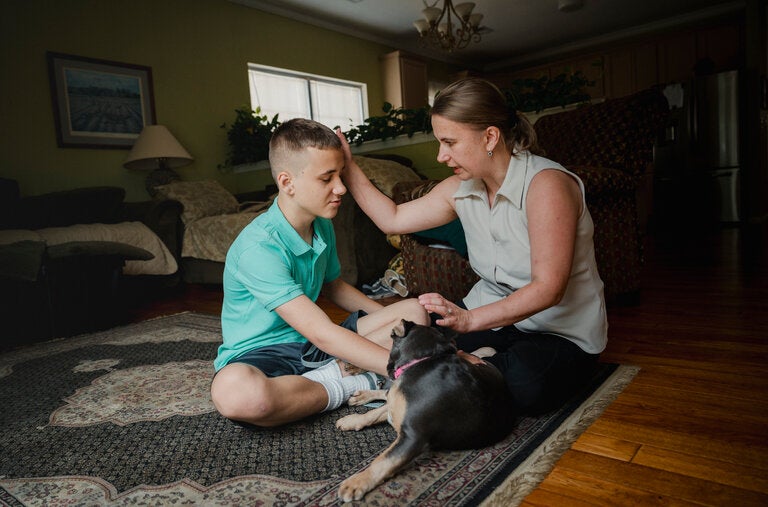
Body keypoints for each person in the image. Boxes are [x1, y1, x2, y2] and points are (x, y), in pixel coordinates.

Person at [337, 78, 608, 414]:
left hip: (558, 330)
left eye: (450, 142)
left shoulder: (547, 185)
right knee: (419, 344)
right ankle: (462, 367)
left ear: (490, 137)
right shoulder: (460, 189)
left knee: (527, 388)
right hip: (493, 318)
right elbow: (391, 218)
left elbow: (548, 289)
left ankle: (454, 369)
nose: (441, 155)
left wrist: (467, 321)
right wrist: (349, 167)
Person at [211, 118, 429, 427]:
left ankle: (344, 375)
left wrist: (391, 323)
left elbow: (334, 286)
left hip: (312, 347)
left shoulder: (322, 224)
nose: (341, 188)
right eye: (327, 178)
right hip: (265, 355)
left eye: (340, 175)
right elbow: (322, 332)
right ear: (287, 183)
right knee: (237, 394)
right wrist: (413, 370)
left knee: (413, 312)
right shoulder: (257, 248)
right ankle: (346, 383)